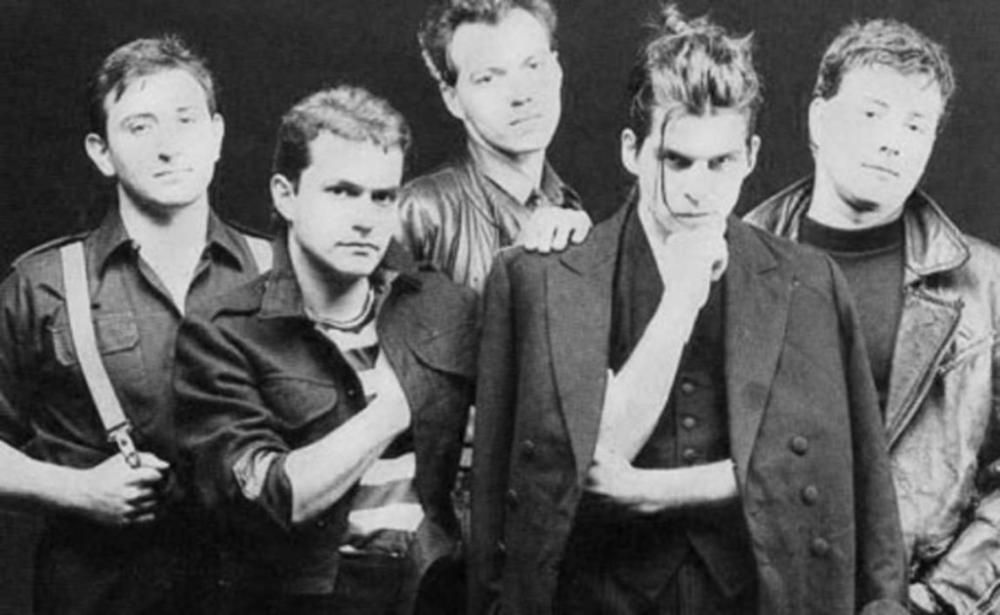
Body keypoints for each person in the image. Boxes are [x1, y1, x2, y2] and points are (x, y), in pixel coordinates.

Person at [470, 7, 909, 614]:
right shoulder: (537, 278)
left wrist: (886, 607)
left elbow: (854, 476)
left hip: (760, 596)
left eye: (721, 162)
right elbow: (521, 489)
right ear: (632, 151)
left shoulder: (809, 281)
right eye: (675, 160)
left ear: (751, 155)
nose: (699, 187)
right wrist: (680, 299)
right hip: (595, 597)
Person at [172, 85, 477, 615]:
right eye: (341, 191)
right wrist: (394, 409)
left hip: (435, 594)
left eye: (383, 197)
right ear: (285, 195)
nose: (366, 218)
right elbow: (270, 499)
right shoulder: (222, 333)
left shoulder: (446, 307)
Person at [0, 35, 270, 614]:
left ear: (217, 134)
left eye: (185, 120)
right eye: (140, 127)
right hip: (98, 594)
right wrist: (75, 490)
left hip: (254, 592)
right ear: (101, 152)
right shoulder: (43, 284)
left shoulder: (278, 272)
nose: (169, 147)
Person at [745, 18, 1000, 615]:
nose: (893, 142)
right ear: (818, 120)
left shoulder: (988, 287)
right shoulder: (732, 263)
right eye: (872, 114)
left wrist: (935, 602)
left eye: (916, 125)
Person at [399, 0, 591, 294]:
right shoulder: (421, 212)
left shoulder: (569, 206)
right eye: (487, 78)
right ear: (452, 98)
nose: (521, 95)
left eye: (534, 65)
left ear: (558, 70)